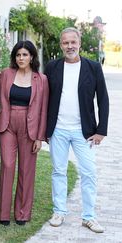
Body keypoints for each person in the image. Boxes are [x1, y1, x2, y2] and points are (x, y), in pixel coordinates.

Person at [45, 27, 109, 233]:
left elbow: (103, 100)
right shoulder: (52, 67)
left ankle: (89, 217)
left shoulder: (93, 67)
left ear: (79, 43)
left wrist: (101, 130)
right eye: (65, 43)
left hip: (86, 132)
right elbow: (43, 99)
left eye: (73, 42)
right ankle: (59, 211)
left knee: (89, 172)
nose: (69, 46)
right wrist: (44, 129)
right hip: (58, 130)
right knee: (58, 171)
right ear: (61, 45)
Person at [0, 40, 49, 226]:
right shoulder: (6, 74)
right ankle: (3, 214)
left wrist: (39, 137)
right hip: (7, 124)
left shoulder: (41, 79)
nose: (21, 58)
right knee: (8, 166)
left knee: (27, 170)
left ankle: (22, 213)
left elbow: (43, 109)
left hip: (30, 127)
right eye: (18, 55)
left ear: (32, 57)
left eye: (25, 54)